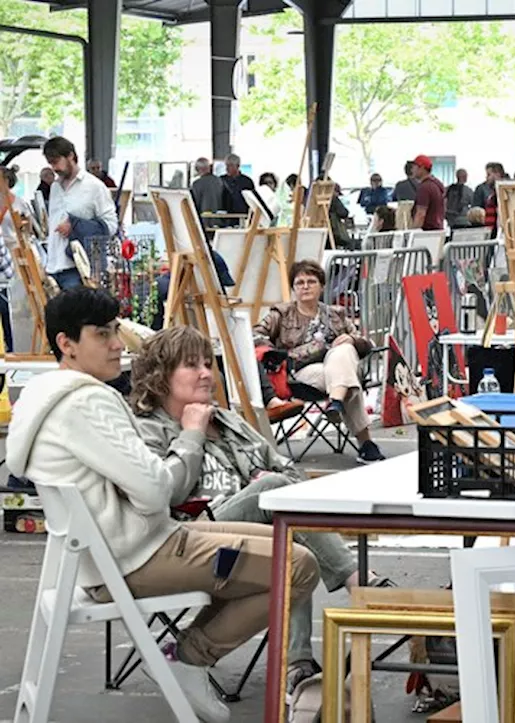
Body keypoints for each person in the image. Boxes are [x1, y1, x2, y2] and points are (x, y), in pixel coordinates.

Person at [7, 286, 320, 723]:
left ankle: (189, 656)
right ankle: (189, 658)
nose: (117, 344)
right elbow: (156, 492)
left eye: (116, 330)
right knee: (297, 566)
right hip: (140, 555)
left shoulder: (43, 399)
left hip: (117, 550)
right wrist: (190, 439)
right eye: (102, 334)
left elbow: (149, 490)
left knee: (286, 539)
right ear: (67, 343)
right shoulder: (86, 401)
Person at [131, 325, 390, 694]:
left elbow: (289, 470)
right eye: (192, 365)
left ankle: (297, 666)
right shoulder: (147, 431)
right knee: (273, 493)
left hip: (257, 535)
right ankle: (360, 583)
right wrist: (190, 434)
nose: (206, 372)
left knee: (293, 547)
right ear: (161, 375)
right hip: (194, 542)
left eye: (209, 363)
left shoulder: (229, 421)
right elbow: (162, 494)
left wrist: (266, 482)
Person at [253, 259, 386, 463]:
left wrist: (351, 339)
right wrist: (279, 354)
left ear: (322, 286)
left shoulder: (336, 314)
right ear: (293, 288)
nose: (305, 287)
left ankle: (336, 400)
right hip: (302, 372)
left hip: (338, 367)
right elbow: (254, 336)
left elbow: (365, 342)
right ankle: (365, 441)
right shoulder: (281, 314)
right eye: (300, 283)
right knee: (346, 378)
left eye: (311, 281)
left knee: (343, 350)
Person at [42, 136, 117, 290]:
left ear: (70, 156)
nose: (54, 168)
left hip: (79, 269)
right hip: (53, 267)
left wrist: (76, 226)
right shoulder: (55, 187)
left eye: (56, 161)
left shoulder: (94, 187)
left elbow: (111, 225)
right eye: (50, 163)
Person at [0, 166, 30, 352]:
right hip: (1, 254)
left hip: (17, 252)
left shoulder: (19, 202)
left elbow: (28, 228)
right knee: (4, 302)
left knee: (17, 302)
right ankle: (7, 343)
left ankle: (16, 343)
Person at [410, 155, 446, 231]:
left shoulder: (424, 188)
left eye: (414, 167)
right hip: (438, 230)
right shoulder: (437, 184)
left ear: (422, 168)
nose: (412, 170)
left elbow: (421, 214)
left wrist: (412, 232)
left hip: (427, 232)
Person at [190, 158, 225, 224]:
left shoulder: (197, 184)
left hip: (203, 220)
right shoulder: (219, 181)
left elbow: (194, 203)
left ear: (197, 169)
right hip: (218, 219)